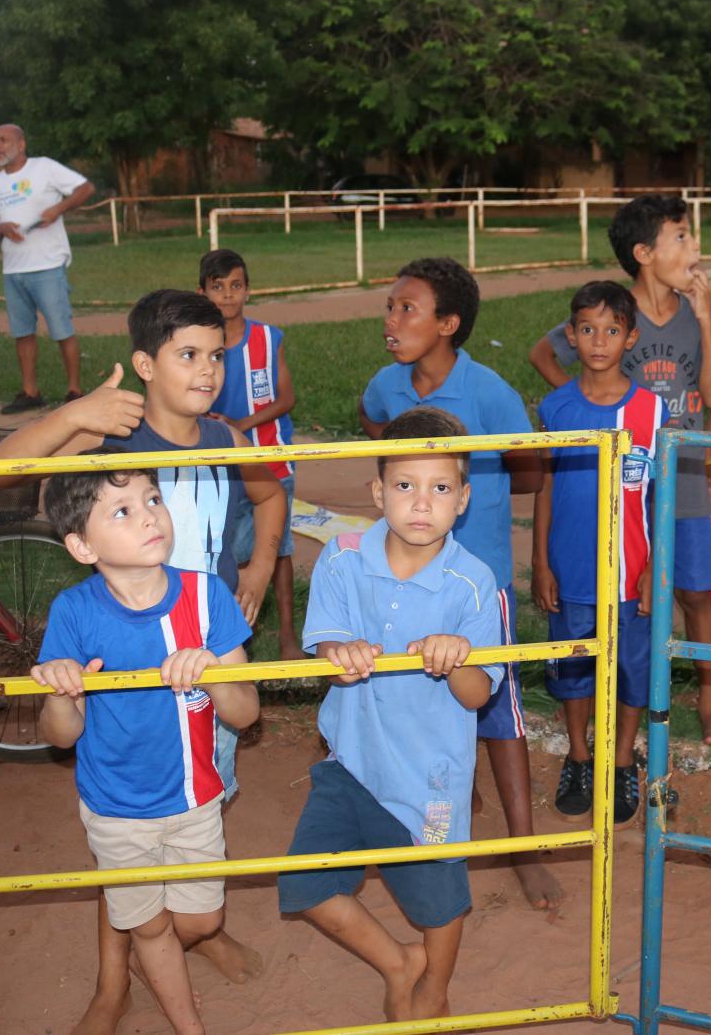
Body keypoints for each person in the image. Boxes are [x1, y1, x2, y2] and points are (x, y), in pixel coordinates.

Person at [0, 289, 278, 1033]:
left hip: (204, 661)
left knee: (197, 814)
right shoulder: (112, 436)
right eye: (187, 355)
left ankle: (186, 933)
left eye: (217, 356)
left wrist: (261, 567)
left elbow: (271, 499)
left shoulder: (228, 439)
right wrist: (73, 416)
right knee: (127, 839)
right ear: (144, 364)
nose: (207, 370)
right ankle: (115, 977)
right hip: (124, 672)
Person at [279, 406, 501, 1022]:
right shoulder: (343, 557)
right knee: (306, 885)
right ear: (378, 492)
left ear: (463, 497)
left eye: (440, 488)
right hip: (349, 761)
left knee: (439, 901)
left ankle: (434, 989)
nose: (421, 503)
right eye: (405, 486)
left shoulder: (473, 584)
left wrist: (455, 657)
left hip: (430, 777)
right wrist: (337, 649)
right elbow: (325, 641)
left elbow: (478, 694)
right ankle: (400, 964)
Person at [360, 257, 559, 910]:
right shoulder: (387, 386)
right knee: (404, 694)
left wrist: (479, 506)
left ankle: (522, 846)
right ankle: (403, 820)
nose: (391, 320)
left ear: (448, 324)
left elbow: (530, 470)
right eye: (389, 306)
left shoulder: (490, 393)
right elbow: (375, 432)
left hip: (477, 583)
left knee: (497, 712)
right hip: (405, 575)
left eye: (407, 308)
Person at [33, 462, 260, 1035]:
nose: (150, 516)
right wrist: (62, 691)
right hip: (115, 808)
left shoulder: (208, 596)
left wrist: (213, 675)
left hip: (196, 798)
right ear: (83, 546)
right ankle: (189, 1025)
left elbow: (246, 713)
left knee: (200, 921)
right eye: (123, 511)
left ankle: (142, 951)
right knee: (152, 927)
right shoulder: (74, 612)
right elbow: (61, 736)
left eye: (152, 498)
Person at [528, 195, 711, 744]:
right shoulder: (611, 311)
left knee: (693, 592)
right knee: (605, 604)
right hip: (620, 479)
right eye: (683, 237)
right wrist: (585, 415)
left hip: (681, 473)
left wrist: (709, 317)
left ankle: (709, 698)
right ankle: (589, 726)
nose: (694, 249)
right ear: (645, 252)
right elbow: (543, 355)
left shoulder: (697, 314)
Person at [532, 281, 664, 823]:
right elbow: (544, 486)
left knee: (632, 668)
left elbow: (660, 497)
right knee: (573, 668)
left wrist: (656, 568)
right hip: (571, 569)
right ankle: (581, 755)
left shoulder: (652, 411)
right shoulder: (556, 407)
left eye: (612, 330)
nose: (599, 341)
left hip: (632, 573)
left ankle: (622, 758)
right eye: (588, 330)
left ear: (630, 337)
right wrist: (541, 562)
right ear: (571, 336)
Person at [201, 249, 303, 660]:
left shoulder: (267, 337)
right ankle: (227, 636)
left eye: (236, 286)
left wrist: (237, 428)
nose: (227, 295)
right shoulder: (196, 343)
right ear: (202, 292)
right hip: (216, 467)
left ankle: (287, 637)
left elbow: (287, 398)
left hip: (270, 459)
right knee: (223, 548)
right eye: (217, 287)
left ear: (248, 290)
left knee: (278, 548)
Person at [0, 123, 94, 413]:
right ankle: (30, 392)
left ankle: (74, 391)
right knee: (22, 333)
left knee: (61, 330)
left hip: (48, 265)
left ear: (21, 144)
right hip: (13, 270)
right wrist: (2, 228)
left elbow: (86, 189)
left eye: (4, 140)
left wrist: (58, 209)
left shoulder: (44, 168)